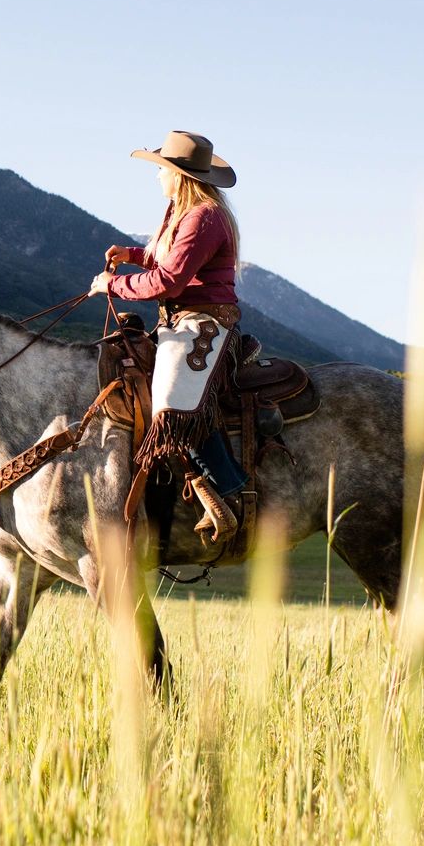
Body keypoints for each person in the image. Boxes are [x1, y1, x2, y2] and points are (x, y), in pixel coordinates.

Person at [87, 130, 254, 543]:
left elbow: (169, 281)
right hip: (180, 321)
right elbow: (169, 257)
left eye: (161, 169)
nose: (157, 177)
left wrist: (113, 285)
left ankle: (231, 495)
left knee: (172, 407)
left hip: (203, 322)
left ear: (179, 175)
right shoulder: (183, 213)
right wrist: (132, 255)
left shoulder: (203, 218)